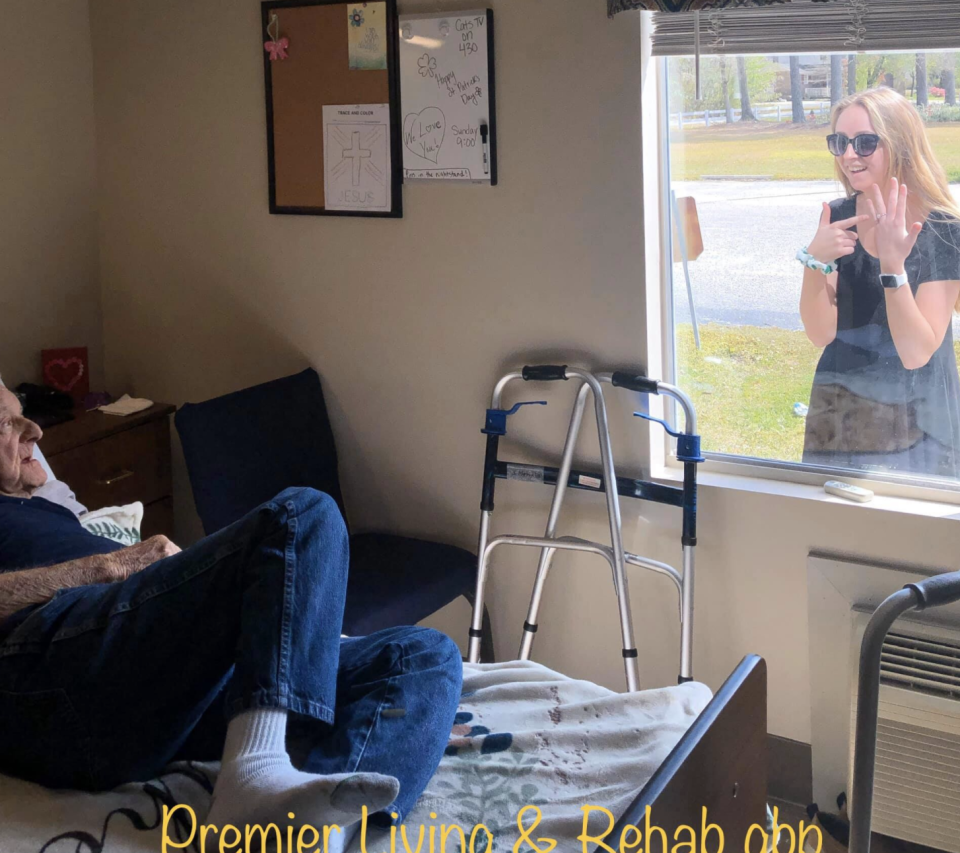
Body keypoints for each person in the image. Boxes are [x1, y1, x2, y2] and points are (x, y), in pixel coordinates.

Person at [0, 379, 462, 844]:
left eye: (24, 413)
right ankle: (255, 772)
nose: (34, 430)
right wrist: (111, 565)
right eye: (6, 422)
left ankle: (305, 837)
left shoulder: (40, 505)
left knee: (422, 655)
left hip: (142, 693)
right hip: (52, 675)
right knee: (300, 515)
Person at [799, 87, 960, 478]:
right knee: (831, 532)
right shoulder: (838, 216)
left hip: (920, 420)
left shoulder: (942, 230)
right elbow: (821, 333)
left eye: (865, 142)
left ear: (901, 146)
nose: (848, 155)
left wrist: (893, 267)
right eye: (839, 142)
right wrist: (813, 263)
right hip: (841, 412)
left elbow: (916, 352)